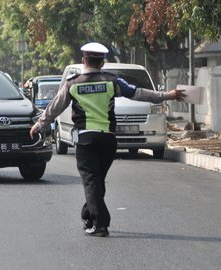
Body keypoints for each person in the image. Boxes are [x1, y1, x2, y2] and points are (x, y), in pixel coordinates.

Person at [29, 42, 186, 237]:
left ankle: (100, 224)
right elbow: (139, 93)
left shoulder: (73, 82)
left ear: (83, 60)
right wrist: (167, 95)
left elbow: (55, 107)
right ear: (102, 63)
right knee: (97, 181)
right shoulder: (112, 81)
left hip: (86, 140)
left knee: (92, 181)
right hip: (108, 141)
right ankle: (88, 215)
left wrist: (39, 125)